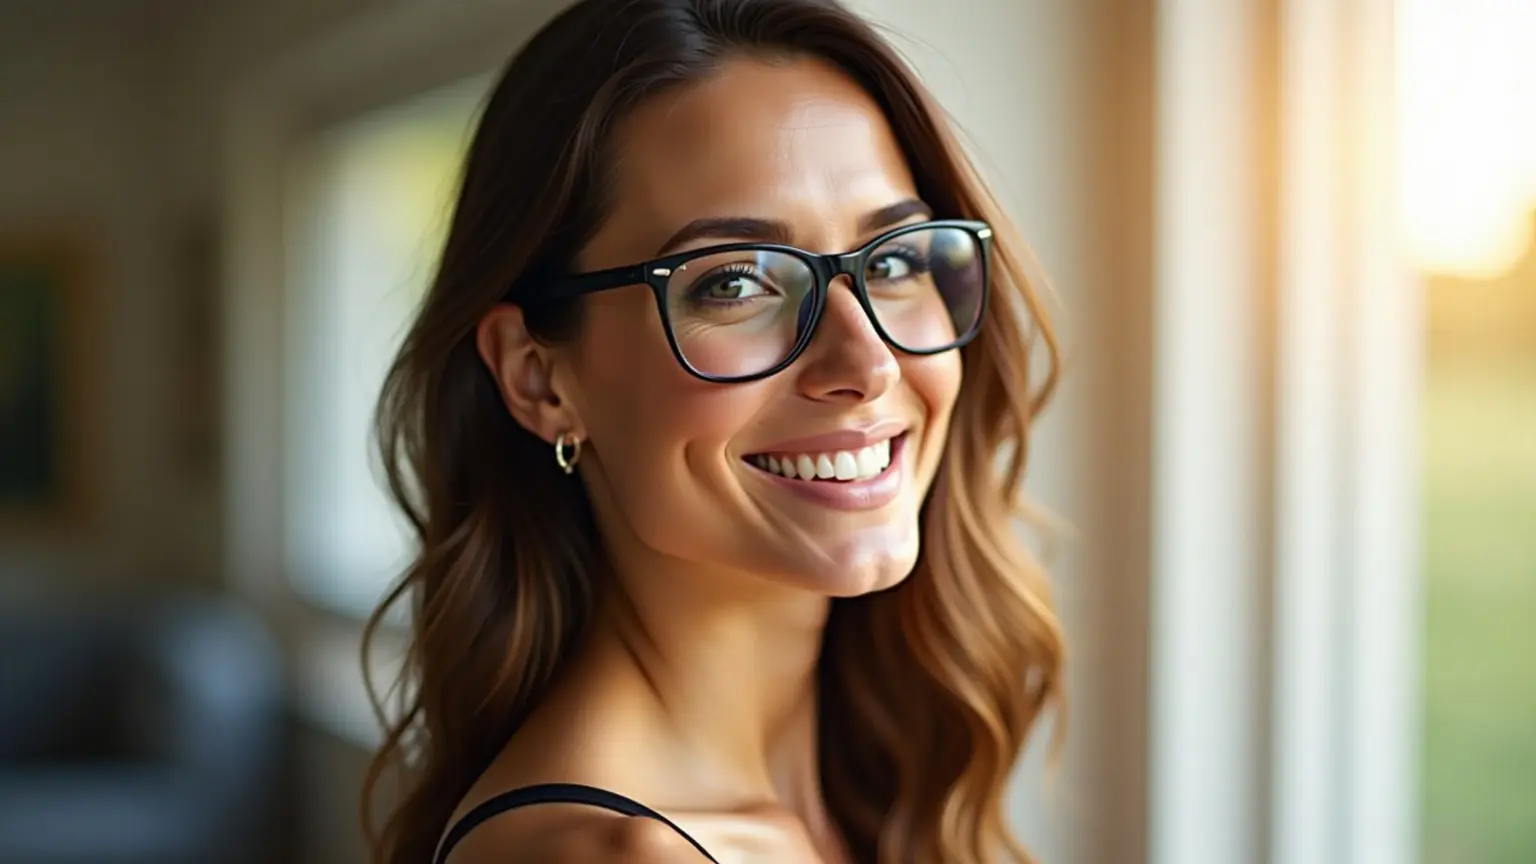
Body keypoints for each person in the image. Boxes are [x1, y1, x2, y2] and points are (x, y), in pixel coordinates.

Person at [360, 0, 1065, 861]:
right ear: (538, 377)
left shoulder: (872, 779)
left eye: (892, 262)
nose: (867, 361)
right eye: (735, 283)